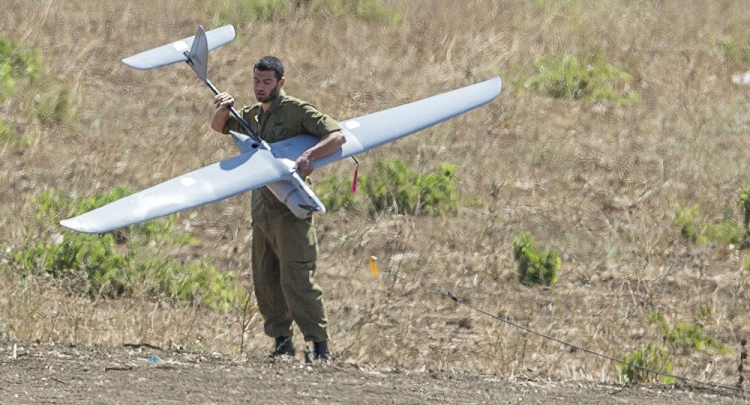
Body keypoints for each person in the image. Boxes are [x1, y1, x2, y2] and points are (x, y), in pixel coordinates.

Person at [211, 56, 346, 361]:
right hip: (262, 212)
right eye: (256, 82)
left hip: (291, 211)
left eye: (267, 82)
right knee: (266, 279)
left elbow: (337, 135)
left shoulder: (296, 110)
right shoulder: (253, 115)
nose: (260, 88)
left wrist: (310, 155)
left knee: (297, 278)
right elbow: (220, 127)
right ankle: (281, 344)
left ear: (280, 83)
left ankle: (318, 346)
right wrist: (222, 108)